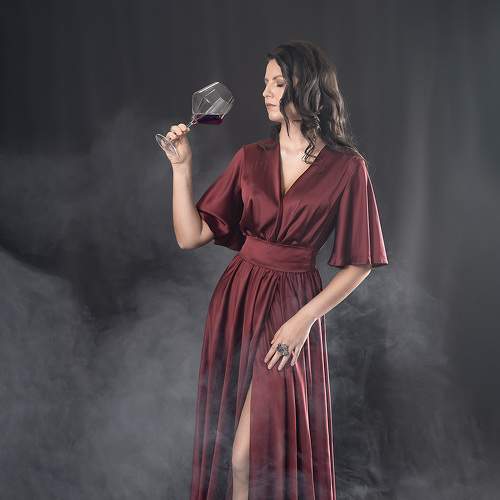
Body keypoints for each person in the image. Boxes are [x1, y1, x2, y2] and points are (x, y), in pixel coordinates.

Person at [162, 40, 388, 500]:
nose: (265, 92)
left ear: (307, 87)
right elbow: (190, 236)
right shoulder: (250, 157)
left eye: (278, 83)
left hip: (292, 306)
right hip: (237, 300)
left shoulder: (348, 168)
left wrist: (304, 321)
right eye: (265, 82)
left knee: (249, 456)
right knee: (233, 453)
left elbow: (361, 262)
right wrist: (181, 169)